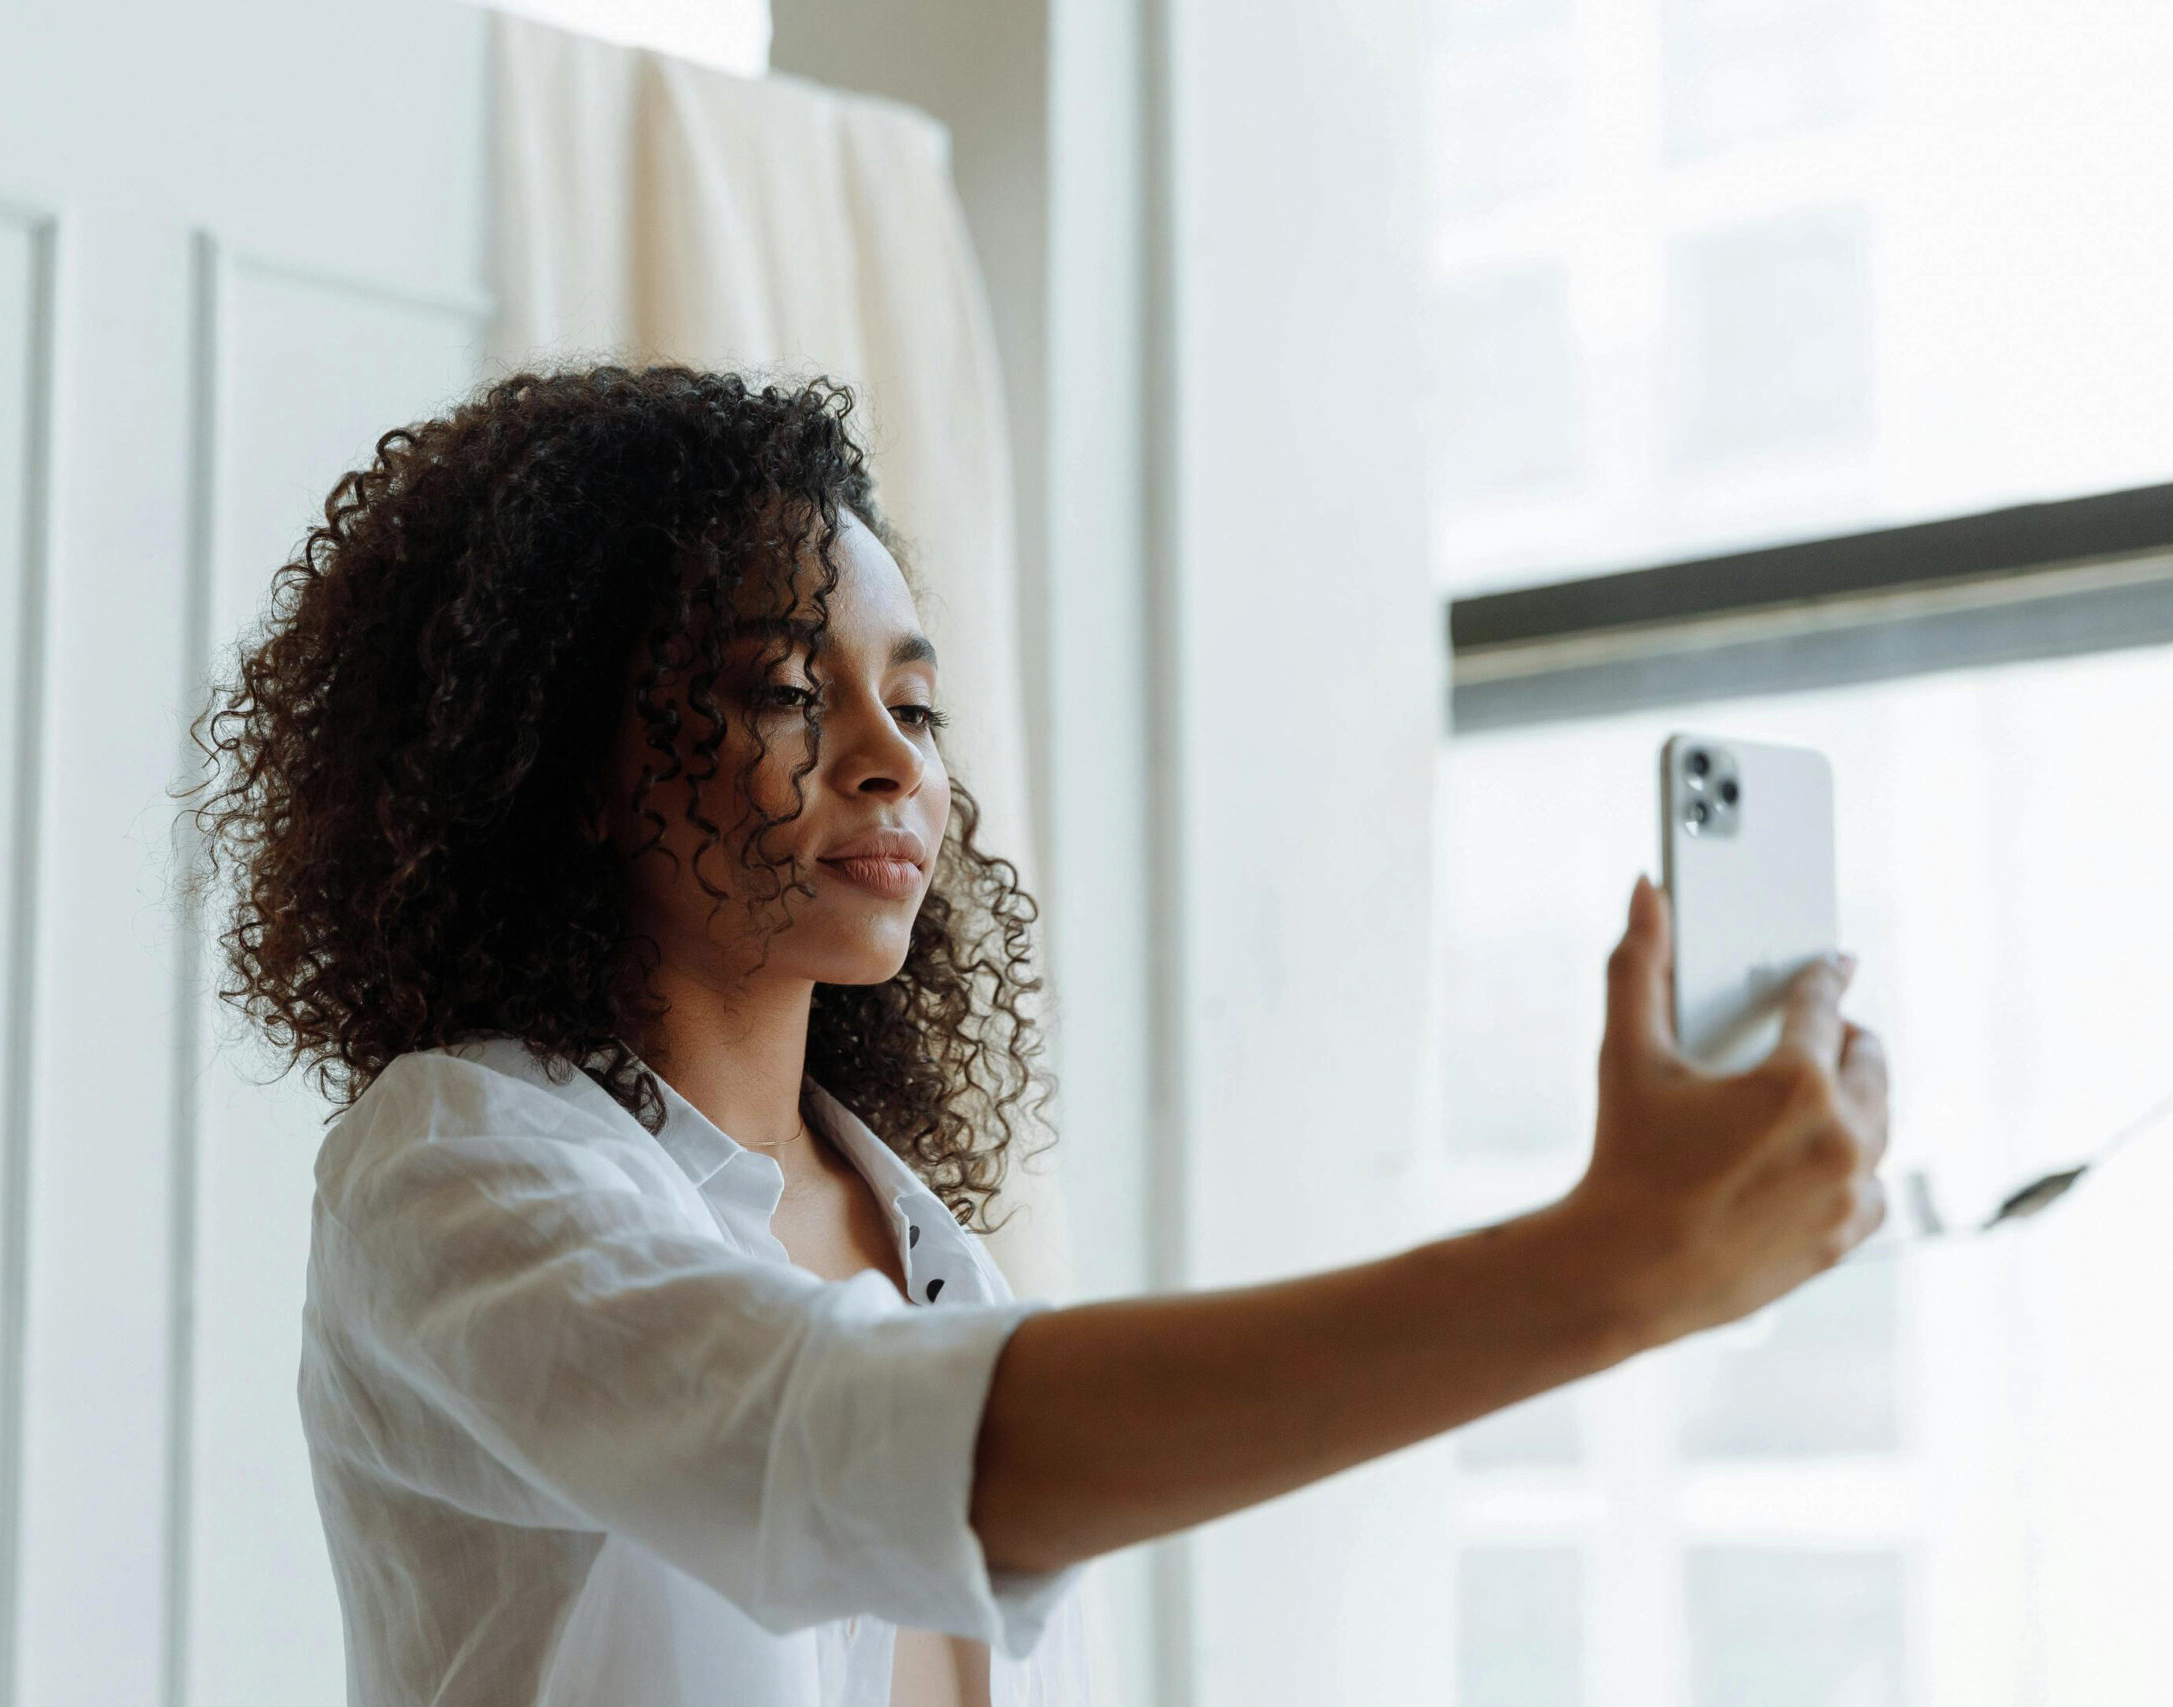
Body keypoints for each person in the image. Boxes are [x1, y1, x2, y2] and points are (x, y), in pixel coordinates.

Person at [190, 366, 1890, 1707]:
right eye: (788, 690)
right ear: (557, 762)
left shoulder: (934, 1256)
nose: (893, 762)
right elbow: (863, 1448)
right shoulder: (453, 1169)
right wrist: (1607, 1270)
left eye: (915, 703)